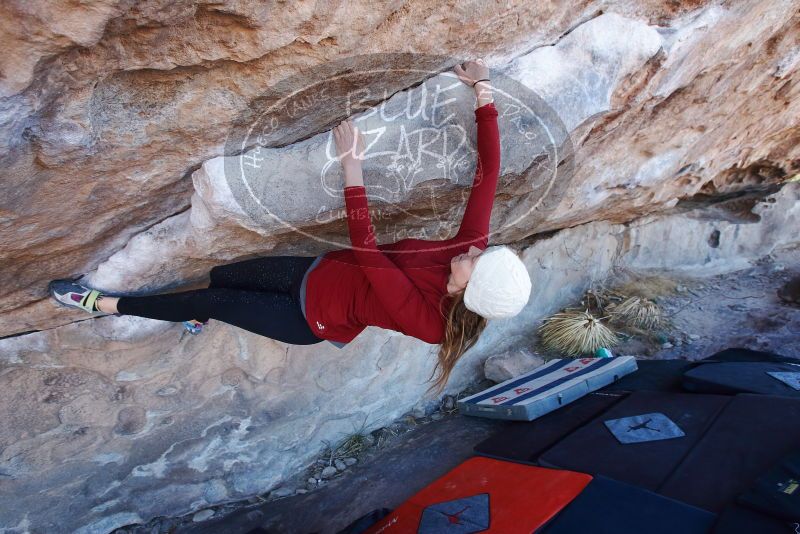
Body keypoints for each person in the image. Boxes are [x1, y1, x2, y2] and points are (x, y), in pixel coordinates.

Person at [49, 59, 532, 396]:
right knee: (222, 277)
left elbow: (367, 250)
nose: (472, 252)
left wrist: (352, 167)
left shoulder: (430, 324)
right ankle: (190, 314)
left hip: (311, 319)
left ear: (469, 292)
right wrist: (482, 89)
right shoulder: (470, 248)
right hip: (314, 271)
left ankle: (104, 304)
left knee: (208, 299)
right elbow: (488, 172)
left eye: (476, 262)